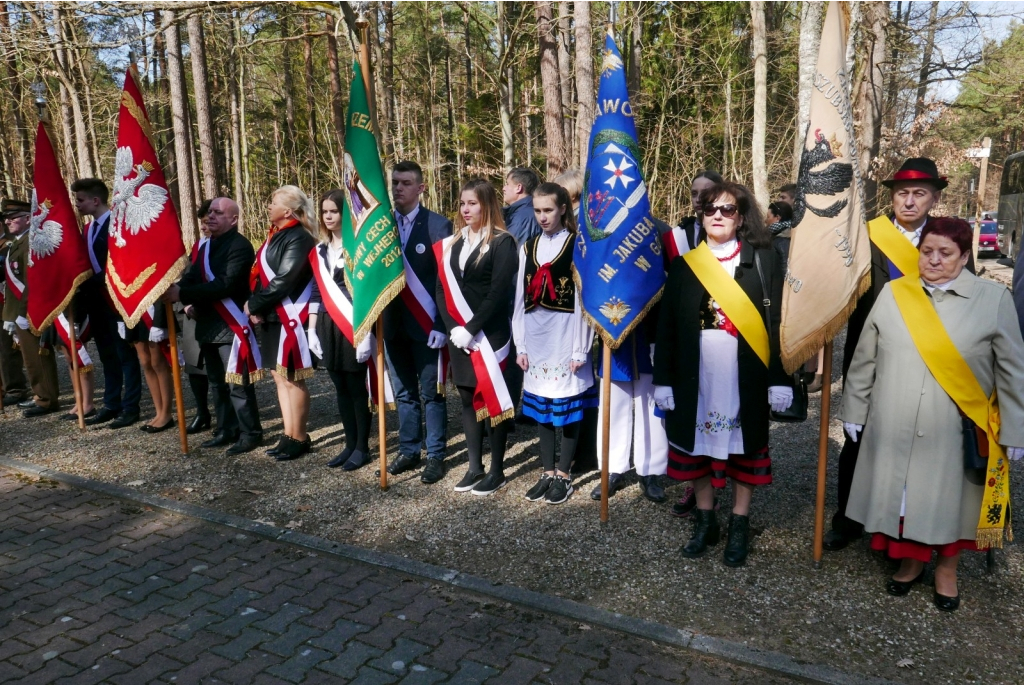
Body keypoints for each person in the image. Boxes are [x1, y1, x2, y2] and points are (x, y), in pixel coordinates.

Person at [840, 217, 1024, 611]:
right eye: (927, 252)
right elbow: (863, 361)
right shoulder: (893, 293)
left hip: (955, 428)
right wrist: (853, 408)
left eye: (946, 253)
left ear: (964, 256)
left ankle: (947, 571)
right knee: (905, 499)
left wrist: (1016, 429)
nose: (935, 260)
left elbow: (1013, 372)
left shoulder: (992, 298)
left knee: (950, 504)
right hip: (894, 421)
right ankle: (910, 564)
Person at [826, 157, 969, 551]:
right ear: (891, 196)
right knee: (859, 438)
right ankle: (849, 518)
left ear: (935, 198)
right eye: (902, 193)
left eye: (919, 194)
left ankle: (899, 527)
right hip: (869, 350)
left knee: (911, 441)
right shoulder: (864, 236)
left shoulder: (944, 240)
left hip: (926, 355)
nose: (909, 202)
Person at [653, 181, 792, 567]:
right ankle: (706, 519)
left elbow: (777, 321)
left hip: (742, 372)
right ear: (701, 215)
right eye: (711, 209)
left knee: (744, 449)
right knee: (695, 449)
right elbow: (666, 327)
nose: (718, 215)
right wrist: (662, 378)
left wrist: (779, 377)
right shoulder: (684, 266)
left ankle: (740, 523)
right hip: (696, 375)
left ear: (741, 216)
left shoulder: (764, 260)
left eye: (728, 209)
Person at [513, 182, 596, 504]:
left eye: (548, 210)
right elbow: (519, 299)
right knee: (543, 409)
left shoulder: (578, 246)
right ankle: (547, 471)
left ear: (563, 208)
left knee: (569, 408)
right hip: (536, 337)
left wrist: (580, 348)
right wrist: (520, 344)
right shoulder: (528, 247)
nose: (543, 217)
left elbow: (583, 301)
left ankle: (564, 473)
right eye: (537, 211)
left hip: (566, 335)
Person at [435, 179, 519, 496]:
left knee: (493, 401)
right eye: (462, 203)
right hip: (459, 337)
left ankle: (496, 470)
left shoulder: (502, 242)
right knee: (468, 400)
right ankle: (474, 466)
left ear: (487, 205)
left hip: (489, 334)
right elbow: (441, 288)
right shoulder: (452, 243)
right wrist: (453, 328)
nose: (466, 209)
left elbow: (498, 293)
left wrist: (471, 328)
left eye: (472, 203)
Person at [165, 198, 263, 455]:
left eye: (218, 213)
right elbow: (192, 277)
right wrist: (181, 293)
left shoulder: (240, 246)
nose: (210, 217)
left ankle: (250, 433)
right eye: (209, 213)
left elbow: (226, 284)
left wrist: (184, 294)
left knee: (237, 384)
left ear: (233, 219)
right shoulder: (205, 246)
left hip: (230, 325)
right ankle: (226, 429)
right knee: (217, 383)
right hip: (206, 322)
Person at [381, 161, 452, 483]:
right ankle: (409, 449)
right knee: (404, 393)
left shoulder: (439, 226)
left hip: (427, 327)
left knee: (431, 394)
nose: (398, 188)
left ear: (421, 188)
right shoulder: (381, 229)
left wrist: (442, 324)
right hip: (392, 324)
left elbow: (445, 282)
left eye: (406, 183)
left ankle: (436, 455)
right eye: (395, 182)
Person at [246, 186, 318, 460]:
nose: (268, 206)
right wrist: (257, 306)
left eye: (272, 202)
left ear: (288, 210)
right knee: (278, 376)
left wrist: (254, 304)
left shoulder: (299, 237)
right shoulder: (274, 236)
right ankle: (288, 433)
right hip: (271, 314)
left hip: (291, 316)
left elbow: (285, 279)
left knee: (292, 377)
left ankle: (300, 437)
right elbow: (260, 277)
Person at [308, 190, 374, 470]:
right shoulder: (320, 250)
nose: (329, 216)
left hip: (353, 322)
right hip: (326, 323)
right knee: (340, 387)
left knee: (357, 388)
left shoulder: (358, 248)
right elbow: (315, 290)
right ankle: (349, 444)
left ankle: (362, 447)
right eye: (325, 212)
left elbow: (367, 291)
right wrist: (311, 329)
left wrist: (367, 332)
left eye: (334, 211)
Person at [72, 178, 142, 429]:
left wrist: (92, 282)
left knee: (126, 355)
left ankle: (131, 406)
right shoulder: (88, 229)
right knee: (107, 355)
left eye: (80, 200)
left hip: (117, 300)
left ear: (95, 200)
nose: (77, 205)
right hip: (96, 302)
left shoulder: (117, 224)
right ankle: (112, 403)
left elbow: (123, 264)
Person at [3, 199, 60, 417]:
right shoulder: (17, 242)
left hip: (28, 311)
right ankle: (40, 395)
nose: (8, 221)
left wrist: (22, 312)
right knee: (29, 358)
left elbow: (30, 282)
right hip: (17, 310)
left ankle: (46, 399)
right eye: (7, 218)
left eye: (13, 217)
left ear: (28, 218)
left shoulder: (29, 242)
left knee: (37, 357)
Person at [181, 200, 213, 435]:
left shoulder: (230, 246)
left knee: (219, 371)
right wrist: (185, 302)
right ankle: (202, 412)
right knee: (194, 367)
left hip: (216, 312)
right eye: (201, 222)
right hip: (193, 312)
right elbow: (188, 277)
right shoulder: (197, 246)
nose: (204, 227)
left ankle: (227, 415)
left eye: (208, 222)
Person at [121, 303, 175, 432]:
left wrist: (159, 322)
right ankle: (159, 411)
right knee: (146, 362)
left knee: (158, 363)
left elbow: (161, 289)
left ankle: (166, 414)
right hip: (134, 312)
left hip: (153, 314)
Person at [0, 200, 29, 406]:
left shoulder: (9, 245)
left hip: (7, 302)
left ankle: (15, 387)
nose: (8, 221)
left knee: (7, 347)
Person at [669, 171, 723, 259]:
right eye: (694, 194)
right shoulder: (678, 237)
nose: (698, 199)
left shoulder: (735, 233)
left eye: (705, 193)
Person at [501, 167, 542, 246]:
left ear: (518, 188)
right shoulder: (521, 212)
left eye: (507, 184)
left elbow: (511, 250)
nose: (503, 188)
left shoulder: (523, 217)